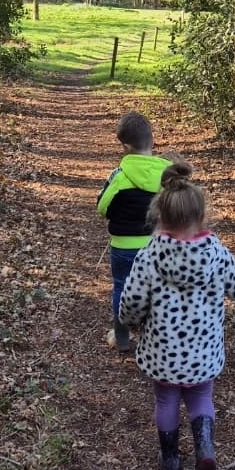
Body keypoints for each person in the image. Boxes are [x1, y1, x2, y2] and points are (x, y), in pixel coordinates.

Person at [118, 161, 235, 470]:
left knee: (166, 399)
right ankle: (205, 450)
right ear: (201, 217)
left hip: (163, 353)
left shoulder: (149, 256)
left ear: (160, 215)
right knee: (201, 398)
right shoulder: (216, 253)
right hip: (203, 352)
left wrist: (129, 324)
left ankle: (170, 459)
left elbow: (131, 302)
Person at [96, 111, 171, 353]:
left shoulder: (119, 177)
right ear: (152, 141)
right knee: (156, 288)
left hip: (123, 247)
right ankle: (153, 337)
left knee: (122, 286)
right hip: (157, 246)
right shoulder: (167, 176)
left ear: (126, 147)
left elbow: (102, 206)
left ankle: (122, 336)